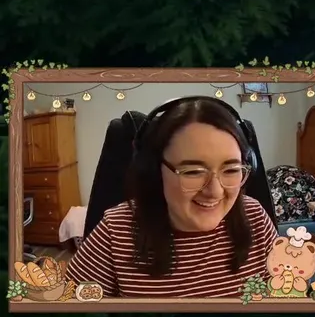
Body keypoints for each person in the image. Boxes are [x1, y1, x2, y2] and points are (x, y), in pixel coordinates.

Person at [66, 97, 278, 298]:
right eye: (193, 172)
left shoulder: (255, 218)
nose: (215, 191)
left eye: (231, 170)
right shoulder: (115, 231)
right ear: (155, 172)